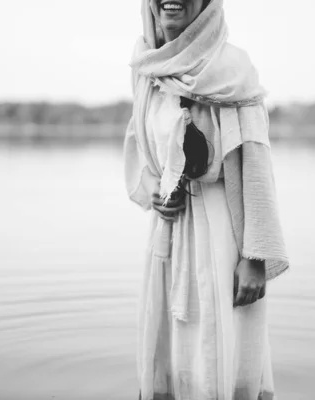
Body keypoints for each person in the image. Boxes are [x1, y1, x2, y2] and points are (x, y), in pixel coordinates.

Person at [123, 1, 290, 399]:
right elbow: (139, 142)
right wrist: (154, 191)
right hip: (169, 229)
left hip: (223, 233)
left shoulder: (232, 68)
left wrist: (255, 257)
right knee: (170, 344)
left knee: (220, 346)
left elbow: (256, 165)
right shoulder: (147, 66)